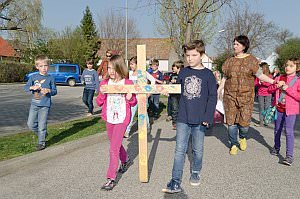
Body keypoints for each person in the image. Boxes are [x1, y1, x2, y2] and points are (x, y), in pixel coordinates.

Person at [162, 40, 217, 194]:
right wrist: (168, 90)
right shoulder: (184, 72)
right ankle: (175, 181)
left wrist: (208, 116)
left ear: (202, 55)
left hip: (200, 119)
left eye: (194, 55)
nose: (190, 58)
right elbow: (177, 88)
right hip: (183, 118)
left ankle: (195, 172)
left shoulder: (208, 75)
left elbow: (212, 97)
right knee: (180, 150)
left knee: (198, 150)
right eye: (187, 55)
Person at [217, 35, 277, 155]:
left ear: (244, 46)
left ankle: (243, 137)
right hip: (230, 96)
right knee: (231, 122)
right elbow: (225, 76)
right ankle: (233, 144)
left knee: (244, 124)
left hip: (246, 97)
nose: (234, 46)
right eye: (234, 44)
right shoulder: (229, 61)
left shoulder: (252, 60)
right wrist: (220, 87)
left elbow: (260, 76)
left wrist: (273, 81)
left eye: (237, 44)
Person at [96, 55, 137, 190]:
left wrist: (130, 97)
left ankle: (110, 178)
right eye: (109, 68)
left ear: (120, 68)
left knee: (113, 148)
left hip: (122, 118)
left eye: (114, 68)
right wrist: (102, 93)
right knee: (115, 143)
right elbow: (99, 102)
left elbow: (133, 102)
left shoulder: (127, 83)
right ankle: (125, 160)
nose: (111, 71)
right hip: (109, 118)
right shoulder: (104, 83)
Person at [268, 58, 300, 166]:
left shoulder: (298, 80)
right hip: (278, 108)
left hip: (290, 111)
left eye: (291, 66)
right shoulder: (280, 77)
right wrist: (276, 85)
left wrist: (288, 89)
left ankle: (289, 156)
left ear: (297, 68)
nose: (287, 67)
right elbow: (269, 90)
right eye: (286, 65)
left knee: (289, 132)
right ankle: (276, 147)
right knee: (277, 130)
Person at [24, 55, 57, 151]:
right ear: (37, 67)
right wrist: (32, 87)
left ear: (48, 66)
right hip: (34, 104)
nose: (44, 68)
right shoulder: (33, 77)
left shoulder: (51, 78)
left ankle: (41, 143)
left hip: (45, 105)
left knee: (42, 125)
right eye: (41, 66)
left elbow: (55, 91)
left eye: (46, 66)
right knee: (30, 124)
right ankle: (43, 134)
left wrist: (49, 90)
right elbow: (26, 87)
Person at [124, 56, 155, 138]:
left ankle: (147, 126)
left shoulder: (144, 73)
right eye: (130, 64)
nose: (131, 66)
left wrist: (149, 92)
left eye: (132, 64)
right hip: (133, 98)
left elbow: (153, 80)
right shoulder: (130, 73)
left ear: (138, 64)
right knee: (130, 114)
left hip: (142, 97)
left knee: (143, 114)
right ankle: (127, 131)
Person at [167, 60, 184, 130]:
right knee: (174, 109)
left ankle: (181, 122)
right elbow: (169, 84)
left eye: (174, 67)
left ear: (178, 67)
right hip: (173, 95)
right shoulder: (172, 75)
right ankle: (175, 123)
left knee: (181, 109)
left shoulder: (182, 75)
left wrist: (176, 81)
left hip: (181, 95)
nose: (173, 68)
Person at [254, 62, 272, 126]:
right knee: (261, 108)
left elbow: (271, 84)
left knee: (267, 108)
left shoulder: (270, 75)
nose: (260, 69)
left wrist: (263, 83)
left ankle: (266, 121)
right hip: (260, 93)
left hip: (268, 93)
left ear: (265, 68)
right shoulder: (259, 75)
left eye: (261, 68)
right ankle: (261, 122)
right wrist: (259, 83)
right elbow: (255, 83)